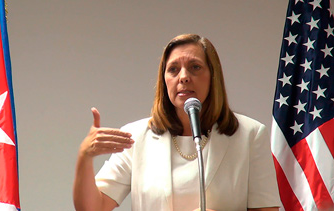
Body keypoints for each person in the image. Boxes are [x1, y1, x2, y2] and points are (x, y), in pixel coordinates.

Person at [73, 34, 281, 211]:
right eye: (173, 69)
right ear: (164, 80)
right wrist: (85, 156)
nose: (183, 77)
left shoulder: (250, 135)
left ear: (213, 76)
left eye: (195, 67)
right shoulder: (136, 137)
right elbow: (92, 207)